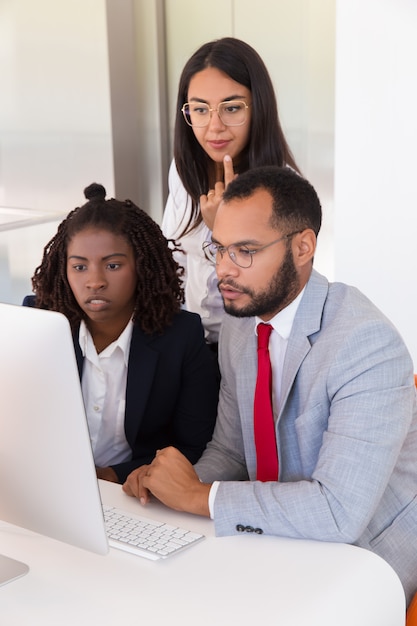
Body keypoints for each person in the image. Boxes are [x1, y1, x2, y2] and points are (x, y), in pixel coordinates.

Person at [124, 166, 417, 607]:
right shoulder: (242, 325)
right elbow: (232, 451)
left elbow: (339, 513)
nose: (223, 269)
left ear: (303, 247)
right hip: (274, 538)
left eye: (245, 251)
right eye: (219, 248)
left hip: (363, 553)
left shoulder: (364, 343)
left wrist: (198, 496)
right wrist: (168, 487)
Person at [23, 183, 218, 484]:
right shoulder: (38, 322)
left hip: (130, 493)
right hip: (43, 484)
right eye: (79, 267)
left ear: (142, 266)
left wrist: (112, 476)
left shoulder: (181, 337)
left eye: (113, 265)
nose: (95, 281)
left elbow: (192, 446)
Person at [162, 37, 300, 346]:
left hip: (249, 351)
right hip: (188, 347)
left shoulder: (283, 190)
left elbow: (271, 301)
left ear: (258, 107)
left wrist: (222, 232)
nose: (214, 127)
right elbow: (169, 264)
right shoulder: (184, 172)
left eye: (232, 108)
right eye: (200, 110)